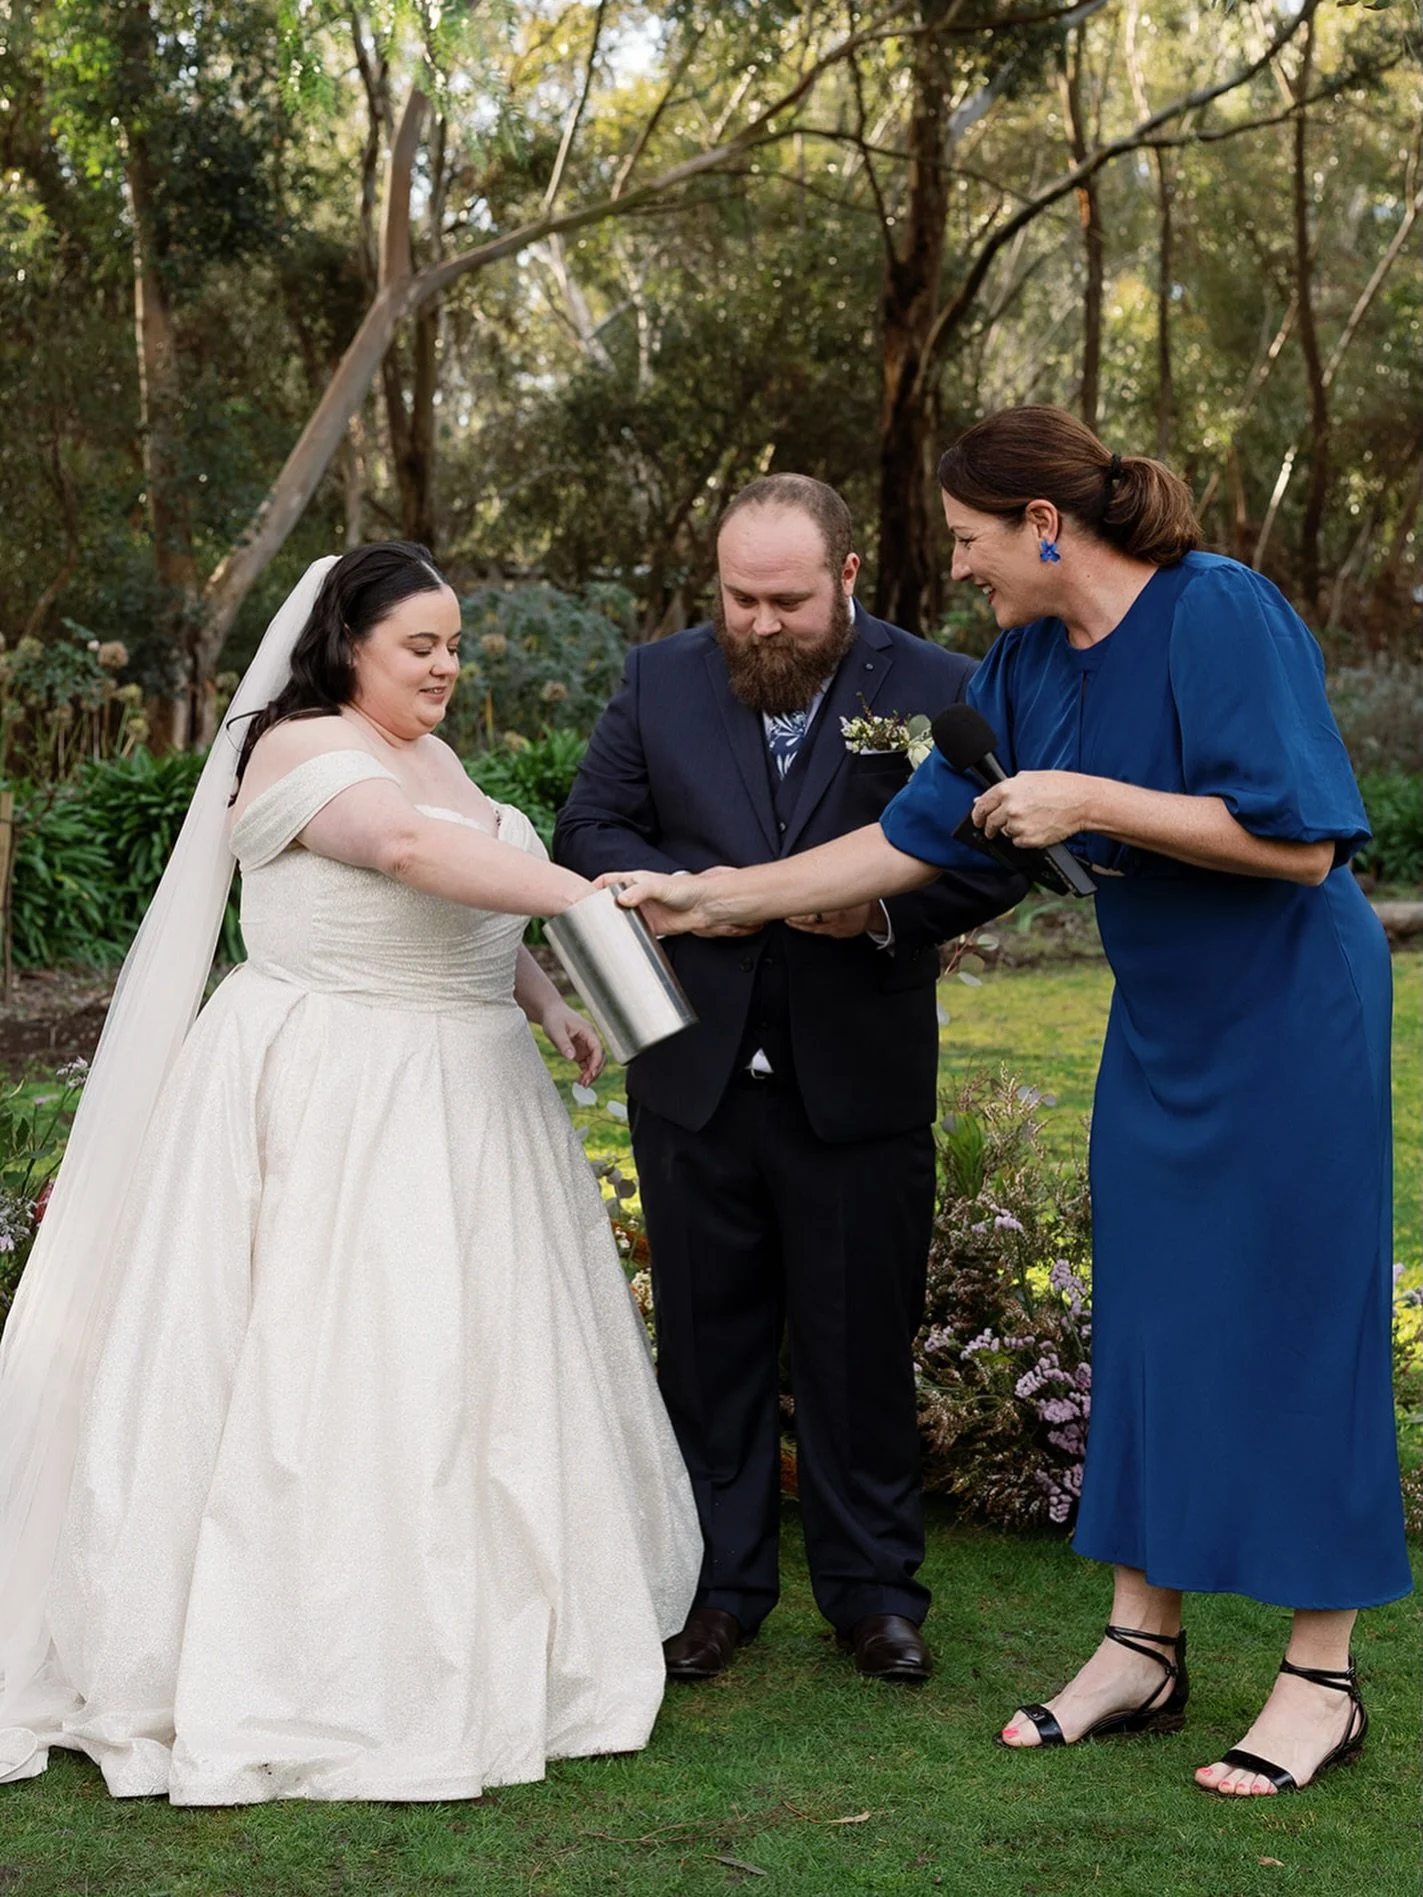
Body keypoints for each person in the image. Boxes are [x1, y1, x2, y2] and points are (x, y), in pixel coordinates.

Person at [609, 409, 1411, 1796]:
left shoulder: (1218, 610)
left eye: (974, 540)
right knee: (1148, 1320)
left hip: (1287, 1015)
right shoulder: (1027, 662)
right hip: (1158, 1021)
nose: (963, 567)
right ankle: (1137, 1648)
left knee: (1288, 1319)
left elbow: (1294, 843)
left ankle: (1316, 1679)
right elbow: (900, 838)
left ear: (1044, 526)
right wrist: (711, 896)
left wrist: (1088, 795)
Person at [0, 543, 700, 1804]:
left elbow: (466, 890)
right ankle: (323, 1646)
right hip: (345, 1090)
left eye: (452, 642)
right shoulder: (297, 746)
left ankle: (499, 1617)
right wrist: (591, 897)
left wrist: (545, 994)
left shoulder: (432, 752)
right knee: (349, 1357)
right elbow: (409, 858)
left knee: (473, 1354)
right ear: (349, 643)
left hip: (469, 1089)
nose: (445, 664)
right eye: (419, 645)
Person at [554, 475, 1019, 1685]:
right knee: (707, 1346)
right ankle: (715, 1588)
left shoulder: (935, 686)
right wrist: (692, 891)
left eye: (787, 600)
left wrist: (874, 913)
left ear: (849, 579)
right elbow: (590, 827)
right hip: (692, 1073)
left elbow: (987, 860)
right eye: (737, 596)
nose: (758, 622)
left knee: (860, 1341)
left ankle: (873, 1594)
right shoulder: (660, 678)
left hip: (856, 1079)